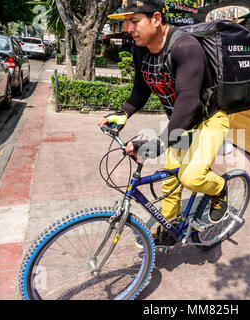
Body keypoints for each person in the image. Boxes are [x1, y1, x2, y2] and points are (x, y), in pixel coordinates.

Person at [98, 0, 229, 246]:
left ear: (156, 19)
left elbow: (188, 102)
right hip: (181, 123)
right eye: (127, 22)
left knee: (191, 177)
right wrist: (124, 113)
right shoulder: (142, 49)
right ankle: (170, 228)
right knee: (170, 178)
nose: (129, 28)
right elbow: (141, 88)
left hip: (209, 120)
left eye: (134, 21)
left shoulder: (185, 47)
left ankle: (220, 189)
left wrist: (159, 143)